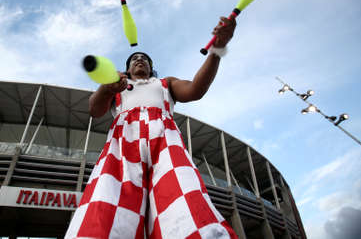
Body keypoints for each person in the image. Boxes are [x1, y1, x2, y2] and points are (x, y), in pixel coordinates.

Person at [66, 17, 237, 239]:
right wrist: (106, 89)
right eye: (135, 58)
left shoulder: (165, 84)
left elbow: (196, 90)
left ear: (151, 68)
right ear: (127, 68)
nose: (139, 59)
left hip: (165, 141)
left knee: (183, 202)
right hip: (123, 143)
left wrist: (218, 48)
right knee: (107, 206)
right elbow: (95, 110)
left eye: (144, 59)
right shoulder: (116, 87)